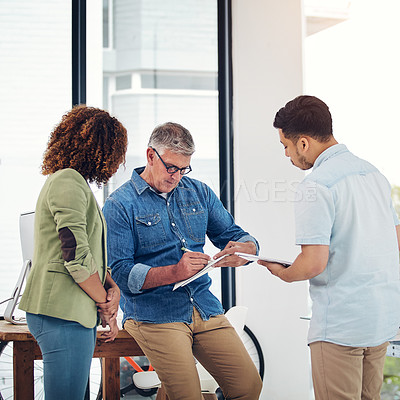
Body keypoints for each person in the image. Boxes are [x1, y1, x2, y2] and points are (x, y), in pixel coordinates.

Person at [103, 122, 263, 400]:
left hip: (203, 306)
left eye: (184, 168)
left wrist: (246, 249)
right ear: (151, 156)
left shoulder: (199, 192)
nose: (177, 176)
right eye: (171, 167)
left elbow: (234, 234)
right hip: (153, 315)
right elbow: (120, 273)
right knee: (187, 395)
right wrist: (174, 272)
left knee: (248, 386)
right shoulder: (120, 204)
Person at [259, 95, 400, 400]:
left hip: (340, 327)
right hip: (379, 320)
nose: (287, 154)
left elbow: (312, 263)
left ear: (304, 143)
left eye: (286, 145)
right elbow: (395, 240)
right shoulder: (374, 174)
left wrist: (283, 273)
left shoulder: (316, 185)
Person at [19, 105, 128, 400]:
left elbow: (88, 250)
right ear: (101, 149)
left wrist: (111, 288)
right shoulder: (67, 180)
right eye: (118, 153)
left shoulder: (72, 182)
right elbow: (75, 256)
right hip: (61, 313)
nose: (119, 163)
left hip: (70, 312)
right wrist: (105, 304)